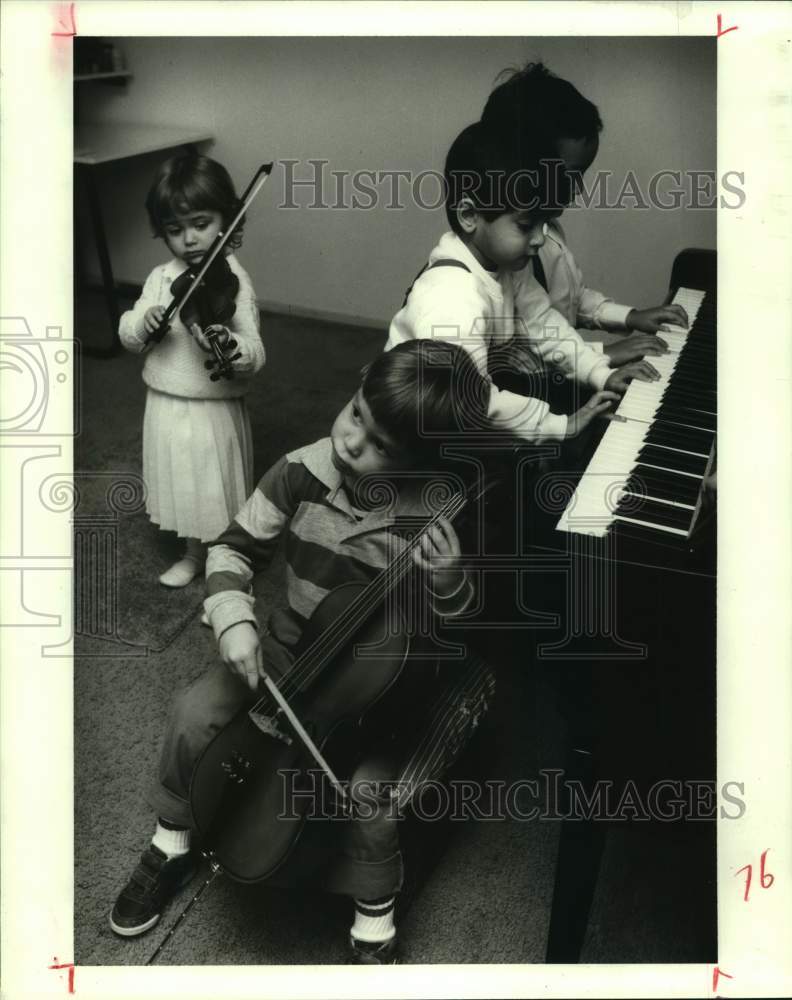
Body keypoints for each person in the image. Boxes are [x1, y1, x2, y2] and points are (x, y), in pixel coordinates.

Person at [108, 340, 496, 964]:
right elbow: (233, 549)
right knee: (194, 712)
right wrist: (234, 619)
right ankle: (171, 838)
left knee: (371, 797)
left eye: (380, 448)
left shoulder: (435, 517)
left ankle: (373, 916)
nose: (351, 441)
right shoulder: (300, 470)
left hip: (382, 685)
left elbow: (458, 628)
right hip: (292, 645)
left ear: (422, 461)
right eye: (356, 414)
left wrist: (451, 583)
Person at [387, 120, 658, 442]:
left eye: (544, 223)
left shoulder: (506, 266)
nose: (540, 239)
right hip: (402, 433)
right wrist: (560, 425)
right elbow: (471, 397)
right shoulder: (451, 296)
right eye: (526, 224)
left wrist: (600, 373)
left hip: (458, 414)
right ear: (470, 216)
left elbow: (544, 324)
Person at [119, 151, 266, 588]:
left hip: (210, 406)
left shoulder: (232, 282)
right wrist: (141, 323)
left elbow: (255, 352)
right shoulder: (162, 279)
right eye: (175, 229)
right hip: (166, 399)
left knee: (209, 482)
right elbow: (129, 334)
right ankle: (192, 550)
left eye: (201, 224)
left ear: (227, 218)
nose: (189, 240)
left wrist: (230, 346)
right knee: (180, 477)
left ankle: (223, 556)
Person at [480, 61, 688, 367]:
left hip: (568, 366)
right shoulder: (508, 259)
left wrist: (629, 317)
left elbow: (569, 300)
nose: (577, 189)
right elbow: (524, 355)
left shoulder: (548, 233)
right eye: (569, 176)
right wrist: (605, 355)